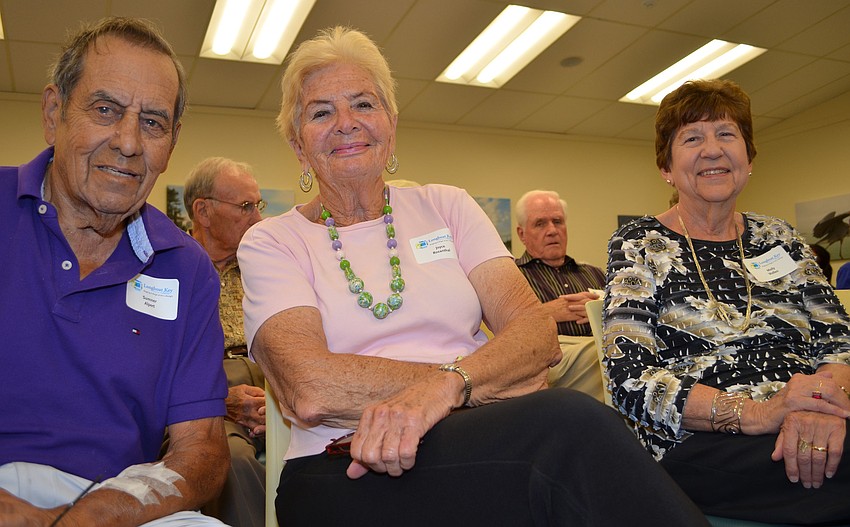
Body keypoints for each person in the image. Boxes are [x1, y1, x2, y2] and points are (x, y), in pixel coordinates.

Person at [238, 26, 709, 526]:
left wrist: (444, 391)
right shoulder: (273, 241)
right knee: (571, 422)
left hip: (472, 434)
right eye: (321, 112)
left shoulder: (447, 206)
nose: (346, 124)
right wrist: (479, 381)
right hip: (343, 463)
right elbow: (310, 388)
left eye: (363, 104)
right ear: (297, 143)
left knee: (569, 444)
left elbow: (535, 337)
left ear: (391, 124)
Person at [0, 17, 229, 526]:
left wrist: (96, 514)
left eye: (153, 122)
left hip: (115, 501)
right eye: (105, 109)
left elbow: (203, 452)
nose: (128, 142)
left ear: (171, 144)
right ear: (53, 112)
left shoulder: (186, 268)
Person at [604, 79, 850, 525]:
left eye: (726, 134)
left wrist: (822, 409)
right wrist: (761, 414)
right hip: (704, 440)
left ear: (749, 157)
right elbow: (630, 379)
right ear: (666, 166)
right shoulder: (639, 243)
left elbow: (838, 341)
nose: (712, 150)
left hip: (809, 419)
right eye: (692, 137)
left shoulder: (781, 239)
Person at [183, 157, 267, 527]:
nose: (258, 219)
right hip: (206, 391)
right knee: (231, 459)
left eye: (258, 206)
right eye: (245, 207)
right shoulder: (166, 270)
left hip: (272, 385)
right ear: (203, 211)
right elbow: (150, 364)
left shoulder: (265, 270)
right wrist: (219, 399)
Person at [515, 190, 606, 400]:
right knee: (606, 354)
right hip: (547, 361)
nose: (552, 230)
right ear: (522, 234)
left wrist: (600, 309)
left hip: (598, 351)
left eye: (558, 221)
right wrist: (547, 313)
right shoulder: (512, 276)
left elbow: (623, 317)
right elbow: (500, 331)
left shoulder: (594, 273)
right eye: (540, 224)